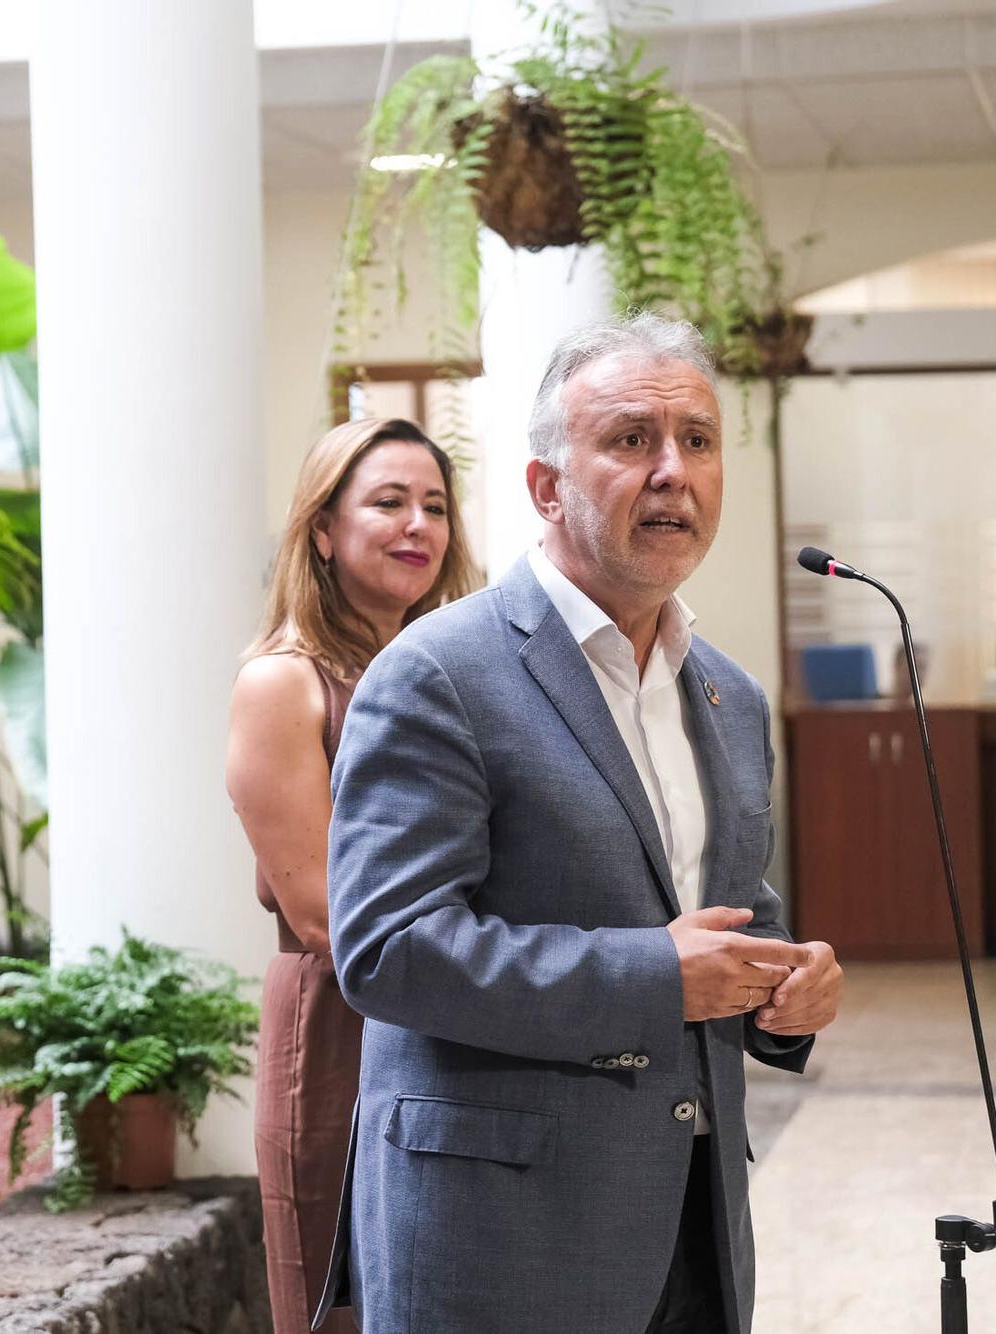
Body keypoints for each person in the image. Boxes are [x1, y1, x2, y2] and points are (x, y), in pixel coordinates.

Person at [324, 314, 842, 1334]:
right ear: (544, 486)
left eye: (695, 440)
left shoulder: (727, 695)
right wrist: (655, 974)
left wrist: (786, 987)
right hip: (503, 1236)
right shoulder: (437, 674)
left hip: (691, 1224)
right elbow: (386, 951)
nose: (670, 471)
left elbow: (723, 913)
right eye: (628, 439)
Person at [227, 418, 479, 1334]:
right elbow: (334, 919)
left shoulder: (448, 672)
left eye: (436, 506)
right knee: (347, 1312)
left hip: (450, 1021)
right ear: (323, 531)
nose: (418, 524)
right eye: (388, 502)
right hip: (342, 1028)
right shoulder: (283, 684)